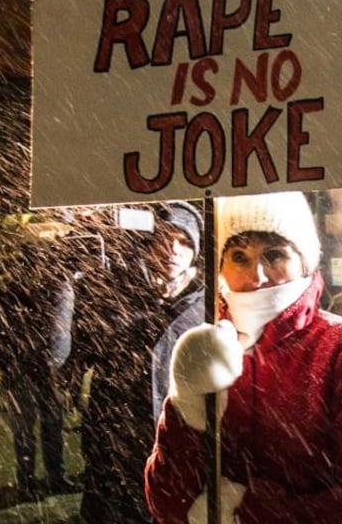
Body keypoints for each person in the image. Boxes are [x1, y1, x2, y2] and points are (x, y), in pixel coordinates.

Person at [145, 191, 342, 524]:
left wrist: (245, 509)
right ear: (220, 267)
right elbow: (165, 500)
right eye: (239, 256)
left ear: (305, 262)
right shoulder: (208, 347)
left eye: (275, 255)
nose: (257, 276)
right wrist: (188, 404)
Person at [76, 201, 206, 524]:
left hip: (179, 459)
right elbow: (75, 352)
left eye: (185, 241)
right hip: (115, 458)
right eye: (166, 237)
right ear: (150, 241)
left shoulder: (207, 308)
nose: (174, 250)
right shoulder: (116, 294)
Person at [0, 243, 77, 501]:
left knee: (39, 427)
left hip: (36, 370)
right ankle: (42, 479)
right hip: (35, 370)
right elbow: (0, 336)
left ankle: (37, 480)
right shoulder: (17, 293)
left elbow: (62, 332)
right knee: (41, 426)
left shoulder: (18, 292)